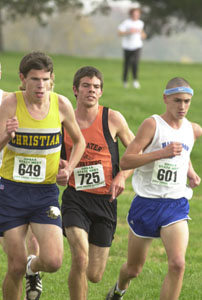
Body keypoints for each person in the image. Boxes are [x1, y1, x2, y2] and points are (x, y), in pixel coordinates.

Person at [106, 77, 202, 300]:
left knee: (178, 264)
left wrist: (190, 171)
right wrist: (161, 153)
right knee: (133, 269)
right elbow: (127, 161)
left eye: (187, 101)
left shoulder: (193, 130)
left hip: (175, 204)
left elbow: (184, 154)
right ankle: (119, 289)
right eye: (177, 100)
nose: (182, 106)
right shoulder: (153, 125)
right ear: (165, 98)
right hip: (146, 204)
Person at [0, 51, 86, 300]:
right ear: (22, 78)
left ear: (52, 79)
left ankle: (32, 267)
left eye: (45, 79)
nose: (41, 86)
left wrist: (68, 168)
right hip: (11, 192)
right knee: (13, 266)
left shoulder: (60, 104)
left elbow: (79, 141)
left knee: (53, 260)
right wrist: (7, 135)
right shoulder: (10, 103)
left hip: (45, 193)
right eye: (35, 79)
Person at [60, 66, 135, 300]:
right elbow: (53, 159)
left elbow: (135, 153)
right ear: (75, 90)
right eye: (86, 86)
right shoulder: (63, 122)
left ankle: (113, 293)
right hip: (75, 198)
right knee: (80, 259)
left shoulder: (112, 118)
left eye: (96, 87)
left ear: (101, 92)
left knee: (94, 274)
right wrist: (59, 171)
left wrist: (122, 175)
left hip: (105, 202)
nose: (91, 90)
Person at [118, 7, 147, 89]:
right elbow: (119, 33)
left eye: (137, 14)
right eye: (134, 14)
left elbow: (143, 34)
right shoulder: (126, 23)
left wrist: (142, 35)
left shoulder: (140, 23)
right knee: (127, 64)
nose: (136, 15)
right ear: (131, 14)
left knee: (135, 63)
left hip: (137, 46)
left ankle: (135, 81)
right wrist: (129, 32)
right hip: (127, 46)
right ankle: (125, 81)